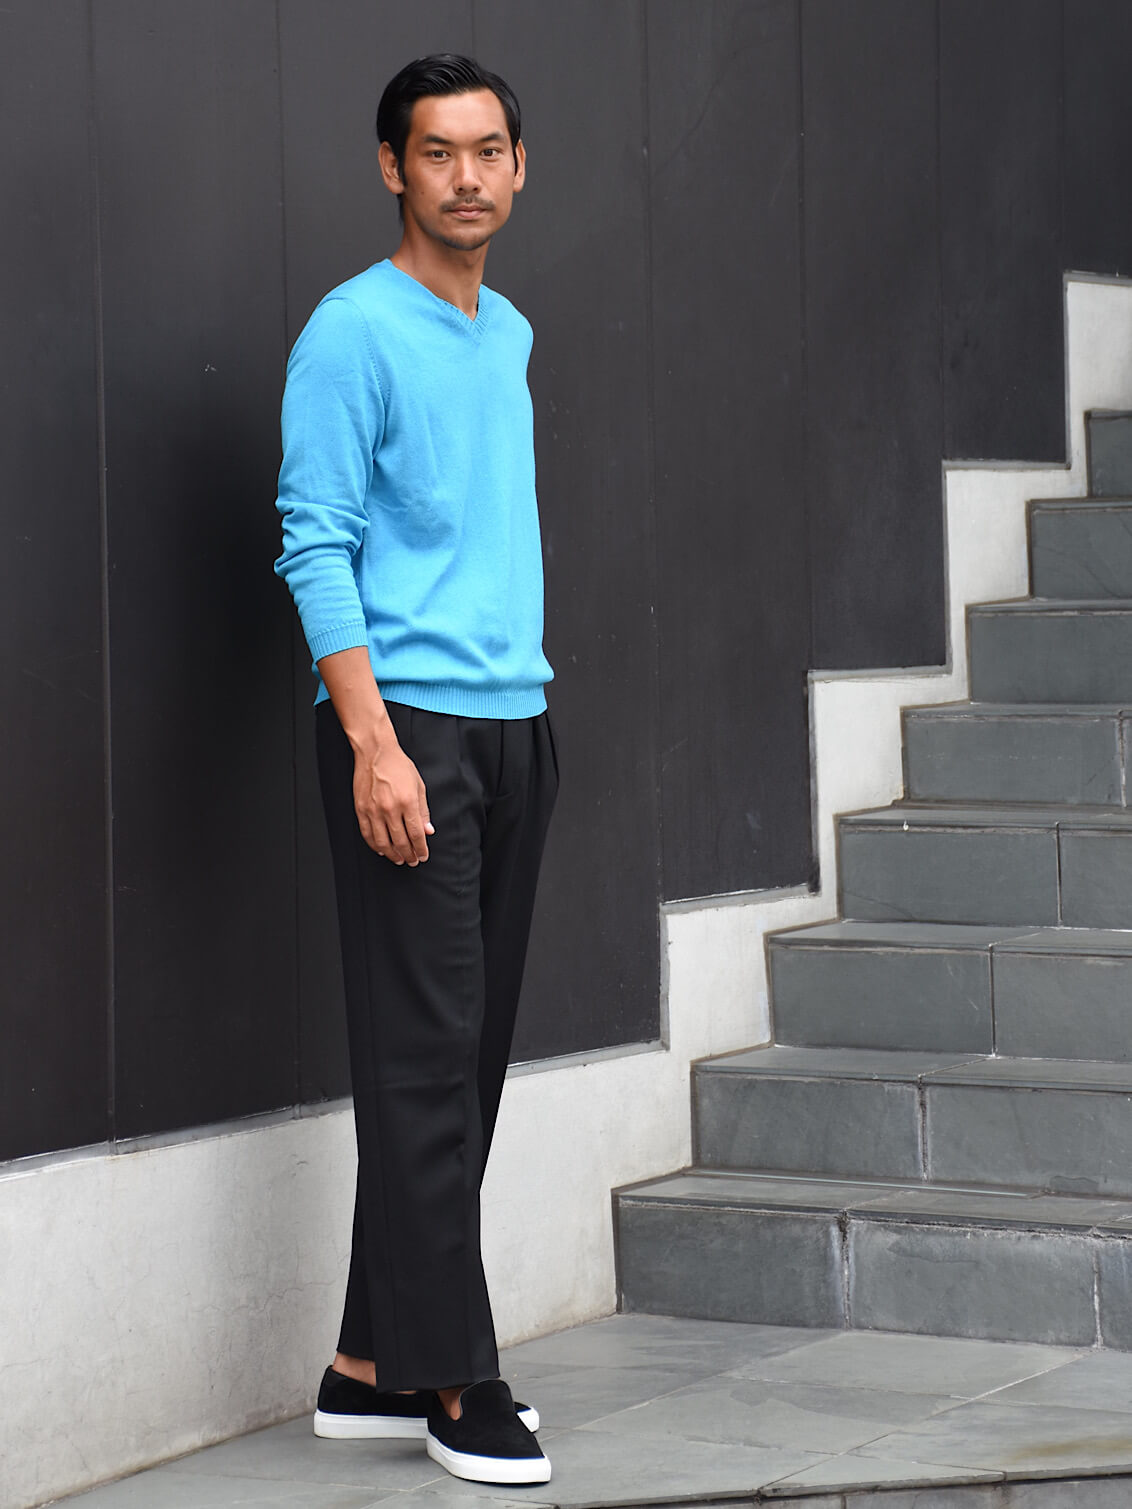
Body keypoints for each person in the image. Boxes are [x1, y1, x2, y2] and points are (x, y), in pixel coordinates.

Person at [274, 54, 557, 1487]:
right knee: (426, 1064)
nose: (466, 175)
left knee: (463, 1059)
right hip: (409, 735)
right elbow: (313, 541)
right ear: (394, 168)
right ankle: (456, 1378)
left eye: (487, 149)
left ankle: (369, 1360)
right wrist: (374, 743)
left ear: (518, 166)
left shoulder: (506, 331)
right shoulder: (350, 333)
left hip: (517, 723)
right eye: (437, 152)